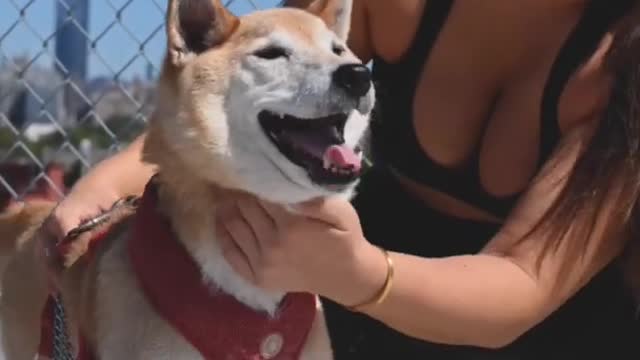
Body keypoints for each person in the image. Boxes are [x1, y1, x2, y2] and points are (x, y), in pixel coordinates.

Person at [41, 0, 640, 358]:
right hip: (345, 279)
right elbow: (242, 97)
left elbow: (524, 280)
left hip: (542, 331)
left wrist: (359, 275)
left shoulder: (624, 60)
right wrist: (109, 181)